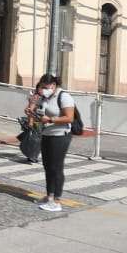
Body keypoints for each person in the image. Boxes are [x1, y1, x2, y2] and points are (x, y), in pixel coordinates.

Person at [31, 74, 74, 214]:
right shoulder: (44, 97)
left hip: (60, 135)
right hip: (47, 134)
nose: (43, 89)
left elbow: (69, 117)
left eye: (46, 87)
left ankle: (57, 201)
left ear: (54, 86)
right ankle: (49, 196)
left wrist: (50, 119)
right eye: (42, 87)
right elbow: (38, 114)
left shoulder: (64, 96)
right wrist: (31, 110)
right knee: (47, 166)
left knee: (56, 167)